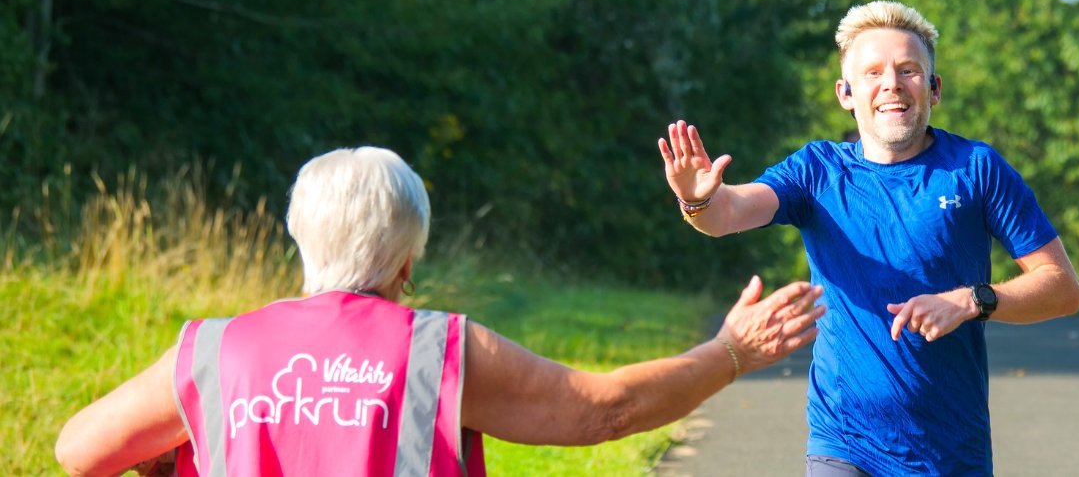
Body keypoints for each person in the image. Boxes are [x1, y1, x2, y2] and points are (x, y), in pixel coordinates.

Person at [54, 147, 826, 476]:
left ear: (297, 238)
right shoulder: (438, 350)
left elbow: (80, 451)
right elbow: (603, 412)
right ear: (406, 261)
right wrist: (729, 353)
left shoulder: (211, 351)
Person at [655, 1, 1079, 476]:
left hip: (952, 452)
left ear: (935, 88)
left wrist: (970, 300)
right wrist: (698, 201)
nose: (891, 85)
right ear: (846, 92)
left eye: (909, 70)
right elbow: (728, 213)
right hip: (843, 445)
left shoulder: (976, 169)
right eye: (873, 72)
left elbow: (1061, 288)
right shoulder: (816, 171)